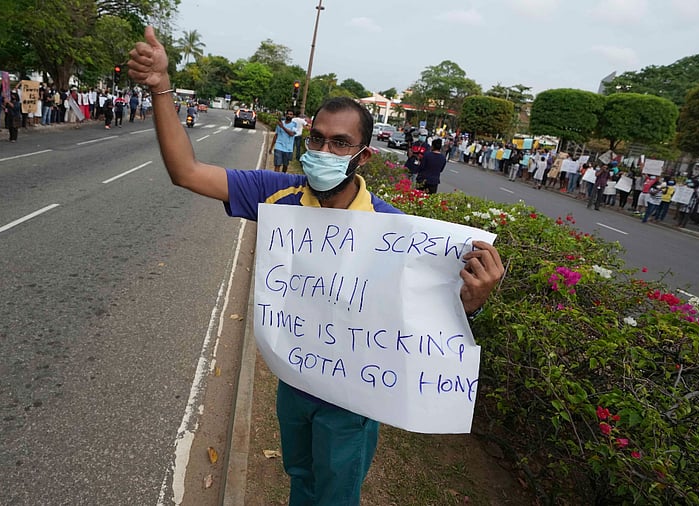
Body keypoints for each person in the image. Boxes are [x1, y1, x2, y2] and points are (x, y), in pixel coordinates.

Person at [127, 27, 504, 505]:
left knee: (335, 496)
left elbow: (423, 319)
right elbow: (186, 171)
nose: (324, 152)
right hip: (297, 382)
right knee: (300, 480)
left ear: (363, 155)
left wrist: (472, 302)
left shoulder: (395, 229)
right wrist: (162, 86)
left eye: (340, 144)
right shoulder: (277, 196)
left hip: (353, 401)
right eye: (318, 139)